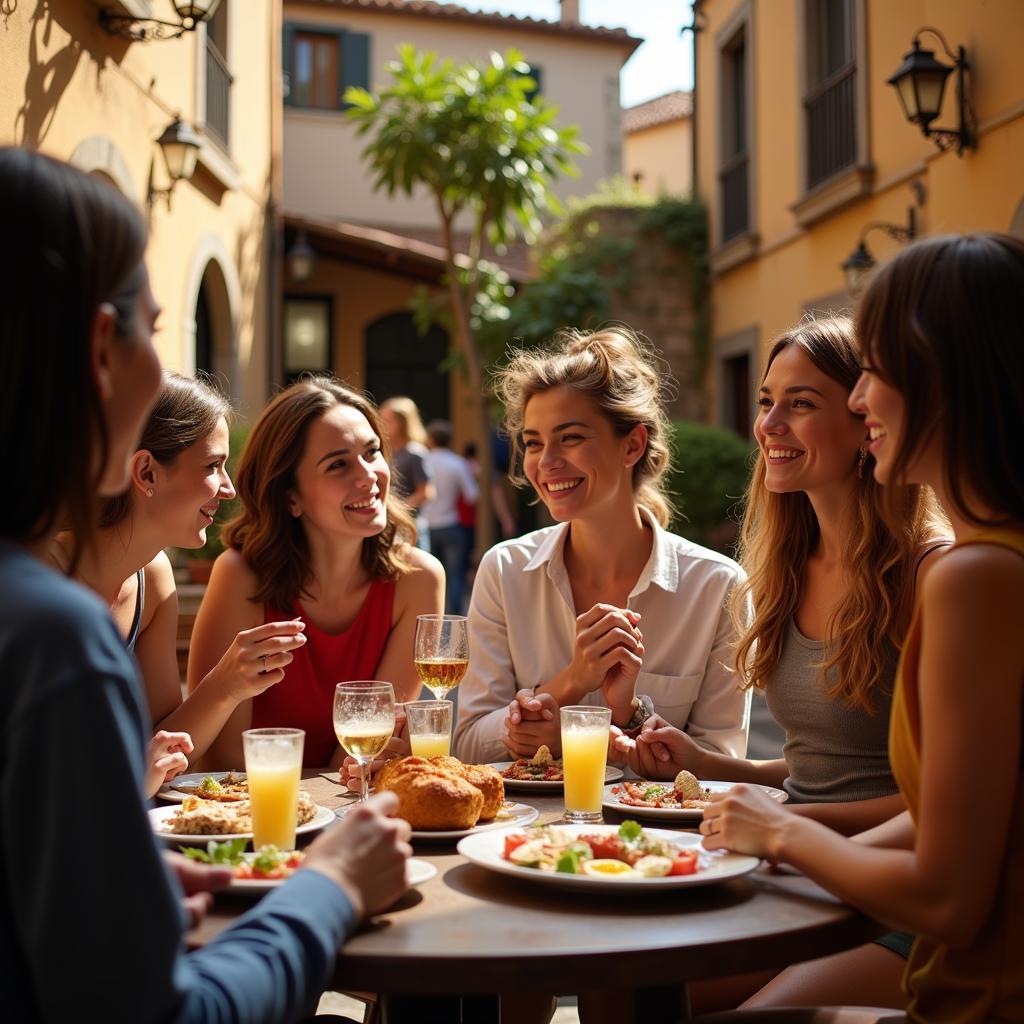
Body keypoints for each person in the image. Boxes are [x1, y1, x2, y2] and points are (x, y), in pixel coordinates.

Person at [0, 147, 410, 1024]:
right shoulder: (50, 637)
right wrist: (331, 889)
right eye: (152, 326)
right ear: (101, 351)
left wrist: (123, 875)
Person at [702, 233, 1024, 1024]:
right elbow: (944, 810)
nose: (860, 398)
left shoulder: (969, 575)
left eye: (873, 371)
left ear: (942, 381)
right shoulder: (992, 559)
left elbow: (946, 896)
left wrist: (784, 836)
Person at [614, 316, 949, 1011]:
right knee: (618, 984)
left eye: (801, 404)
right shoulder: (789, 567)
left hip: (892, 894)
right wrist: (712, 768)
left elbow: (945, 805)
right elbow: (823, 768)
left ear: (866, 422)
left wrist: (786, 829)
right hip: (794, 867)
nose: (770, 424)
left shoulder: (930, 574)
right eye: (767, 401)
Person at [453, 326, 751, 765]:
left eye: (570, 437)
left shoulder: (717, 587)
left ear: (632, 444)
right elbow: (467, 744)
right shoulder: (504, 570)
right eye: (534, 443)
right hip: (522, 830)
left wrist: (624, 720)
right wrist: (571, 681)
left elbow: (720, 762)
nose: (546, 462)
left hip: (656, 834)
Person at [189, 376, 444, 770]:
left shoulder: (419, 579)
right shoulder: (240, 575)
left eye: (372, 452)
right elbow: (222, 756)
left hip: (346, 809)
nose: (368, 476)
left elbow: (364, 749)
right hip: (249, 811)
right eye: (338, 464)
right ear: (290, 495)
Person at [53, 371, 306, 768]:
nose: (229, 489)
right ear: (146, 473)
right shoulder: (36, 579)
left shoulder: (151, 578)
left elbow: (162, 744)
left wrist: (226, 684)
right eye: (212, 465)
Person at [422, 419, 479, 615]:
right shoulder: (457, 463)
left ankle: (430, 619)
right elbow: (472, 495)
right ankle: (454, 621)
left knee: (427, 579)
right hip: (451, 524)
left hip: (427, 526)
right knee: (455, 576)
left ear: (430, 439)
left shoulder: (424, 460)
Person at [380, 395, 434, 553]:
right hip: (389, 524)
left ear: (404, 423)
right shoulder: (385, 452)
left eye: (389, 420)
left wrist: (396, 509)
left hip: (410, 525)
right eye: (382, 419)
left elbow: (426, 493)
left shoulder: (415, 453)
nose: (384, 424)